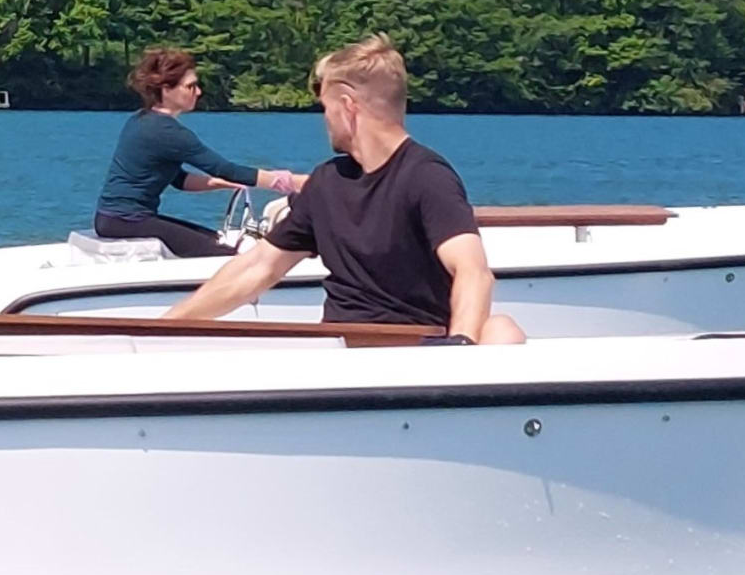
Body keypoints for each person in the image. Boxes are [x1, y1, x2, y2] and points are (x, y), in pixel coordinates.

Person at [163, 34, 523, 343]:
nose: (324, 120)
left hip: (413, 354)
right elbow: (257, 267)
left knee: (502, 332)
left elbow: (473, 272)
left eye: (326, 108)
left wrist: (457, 350)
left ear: (348, 107)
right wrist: (165, 327)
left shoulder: (427, 177)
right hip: (338, 355)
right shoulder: (327, 183)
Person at [93, 47, 299, 258]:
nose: (198, 92)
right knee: (226, 257)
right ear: (166, 89)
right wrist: (291, 182)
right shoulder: (167, 131)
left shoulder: (141, 120)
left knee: (214, 240)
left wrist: (221, 183)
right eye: (191, 86)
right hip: (128, 221)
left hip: (114, 220)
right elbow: (225, 169)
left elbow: (179, 180)